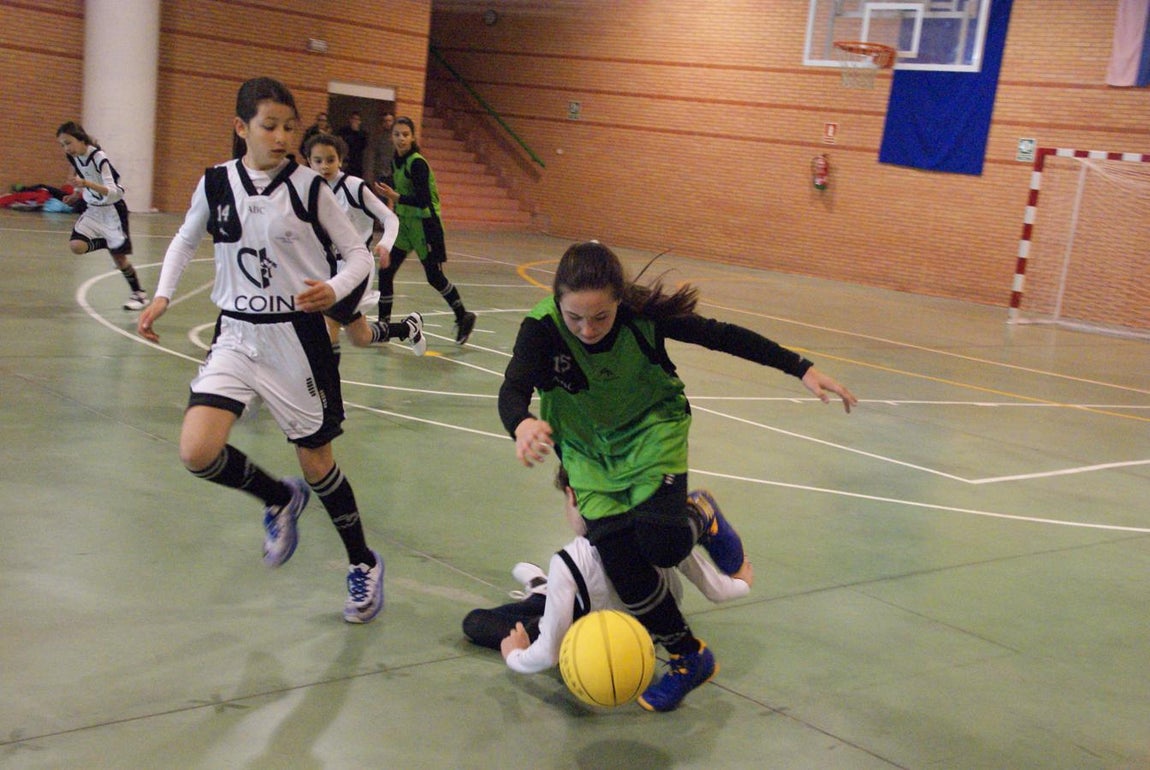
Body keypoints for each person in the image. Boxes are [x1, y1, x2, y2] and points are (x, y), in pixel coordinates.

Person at [497, 240, 857, 711]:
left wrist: (800, 368)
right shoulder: (541, 330)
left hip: (652, 430)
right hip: (588, 452)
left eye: (601, 317)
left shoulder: (643, 316)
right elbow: (512, 389)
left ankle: (700, 513)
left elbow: (722, 336)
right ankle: (689, 657)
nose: (587, 329)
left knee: (663, 547)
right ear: (557, 304)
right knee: (624, 565)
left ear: (620, 300)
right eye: (575, 318)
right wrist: (522, 423)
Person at [136, 77, 385, 624]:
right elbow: (185, 238)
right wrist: (162, 295)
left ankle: (363, 562)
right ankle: (277, 497)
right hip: (235, 333)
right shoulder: (216, 183)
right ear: (241, 127)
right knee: (197, 451)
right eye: (270, 126)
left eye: (289, 127)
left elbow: (358, 254)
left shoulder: (309, 188)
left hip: (296, 338)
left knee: (317, 463)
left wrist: (334, 290)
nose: (282, 137)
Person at [463, 465, 754, 677]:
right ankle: (543, 589)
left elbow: (548, 653)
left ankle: (542, 589)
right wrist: (741, 583)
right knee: (556, 606)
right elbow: (714, 587)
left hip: (582, 640)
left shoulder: (569, 560)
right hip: (644, 639)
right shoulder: (653, 529)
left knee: (476, 622)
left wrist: (515, 655)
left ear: (573, 495)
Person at [304, 133, 426, 358]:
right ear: (308, 162)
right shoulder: (309, 191)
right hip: (329, 270)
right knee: (360, 337)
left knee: (327, 326)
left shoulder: (353, 187)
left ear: (341, 160)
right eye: (317, 161)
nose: (324, 166)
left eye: (330, 160)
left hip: (355, 268)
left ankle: (326, 381)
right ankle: (408, 328)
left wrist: (385, 244)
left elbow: (390, 218)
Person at [371, 117, 477, 345]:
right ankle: (383, 325)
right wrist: (385, 184)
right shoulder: (396, 161)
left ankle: (463, 316)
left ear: (412, 137)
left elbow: (423, 200)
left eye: (405, 134)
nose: (401, 138)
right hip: (405, 225)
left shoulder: (418, 163)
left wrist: (395, 196)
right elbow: (399, 186)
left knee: (434, 277)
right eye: (397, 134)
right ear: (392, 137)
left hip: (425, 226)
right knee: (386, 271)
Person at [56, 121, 148, 310]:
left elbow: (114, 192)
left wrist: (87, 184)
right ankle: (109, 244)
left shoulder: (99, 158)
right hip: (93, 208)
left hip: (112, 210)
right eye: (63, 145)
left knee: (120, 260)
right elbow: (80, 175)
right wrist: (76, 194)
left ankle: (139, 295)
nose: (66, 148)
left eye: (68, 142)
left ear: (81, 139)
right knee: (77, 246)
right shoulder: (73, 157)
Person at [335, 111, 368, 178]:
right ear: (350, 120)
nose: (355, 121)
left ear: (360, 122)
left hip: (357, 162)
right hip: (346, 161)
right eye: (353, 119)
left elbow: (363, 146)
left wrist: (356, 132)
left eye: (357, 119)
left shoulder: (363, 133)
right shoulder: (343, 131)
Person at [370, 112, 396, 191]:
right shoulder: (378, 138)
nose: (388, 123)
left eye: (390, 121)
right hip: (380, 173)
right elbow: (373, 156)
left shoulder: (397, 137)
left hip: (394, 173)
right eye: (386, 121)